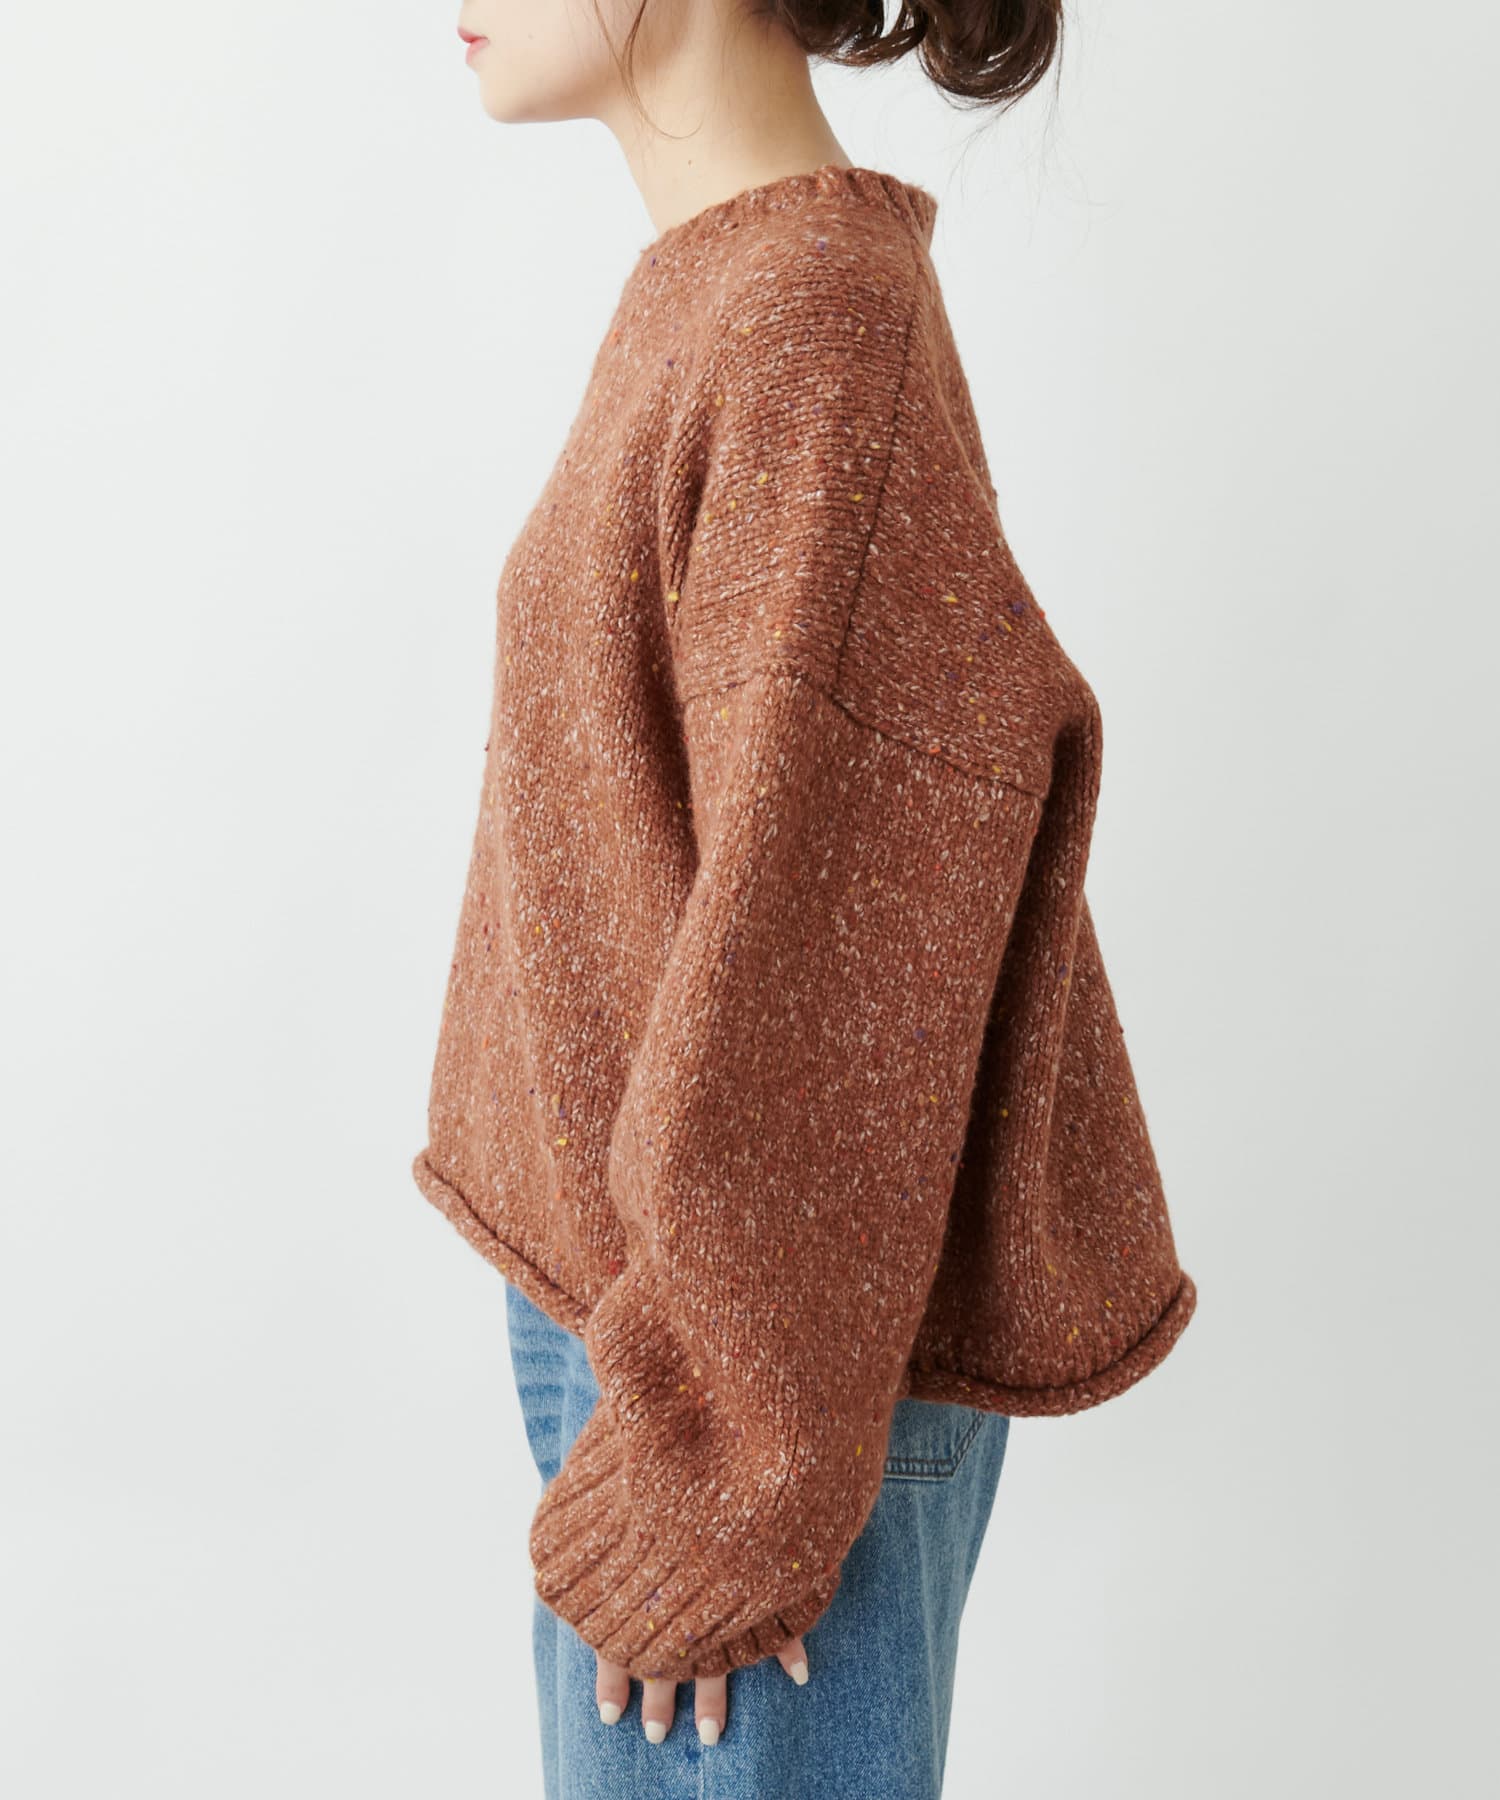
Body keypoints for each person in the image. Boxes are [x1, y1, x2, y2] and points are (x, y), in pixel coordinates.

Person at [417, 4, 1198, 1794]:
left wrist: (735, 1460)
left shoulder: (811, 319)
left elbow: (845, 912)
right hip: (682, 1326)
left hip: (756, 1361)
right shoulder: (725, 286)